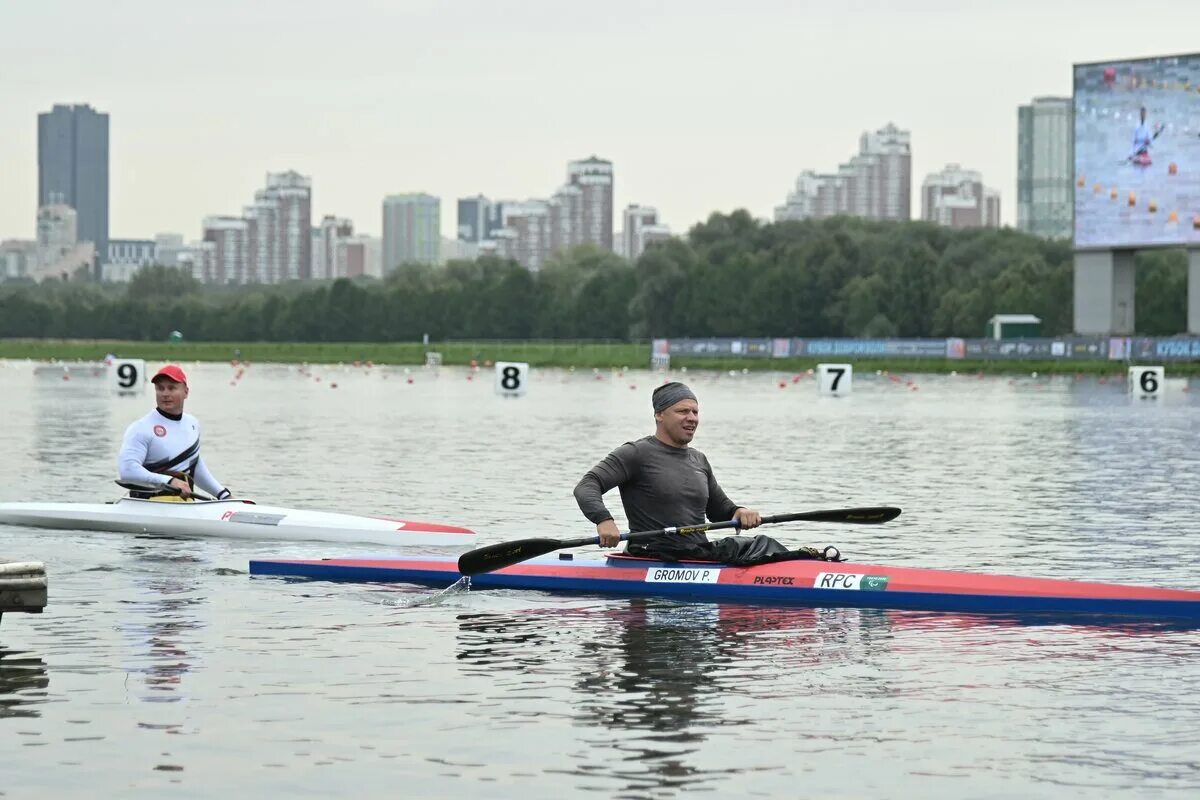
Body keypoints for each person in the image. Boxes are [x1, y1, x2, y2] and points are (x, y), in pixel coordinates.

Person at [573, 381, 830, 565]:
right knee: (759, 546)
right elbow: (587, 485)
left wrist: (739, 512)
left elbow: (719, 509)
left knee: (759, 544)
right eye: (683, 411)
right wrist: (603, 520)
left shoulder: (698, 459)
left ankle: (814, 567)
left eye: (695, 412)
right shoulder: (636, 453)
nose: (692, 418)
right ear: (659, 415)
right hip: (654, 553)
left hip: (697, 554)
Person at [117, 364, 231, 501]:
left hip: (183, 504)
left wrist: (223, 495)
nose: (165, 394)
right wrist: (170, 481)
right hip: (148, 505)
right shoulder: (140, 428)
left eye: (172, 388)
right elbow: (128, 471)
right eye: (160, 388)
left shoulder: (192, 424)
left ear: (186, 392)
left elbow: (195, 466)